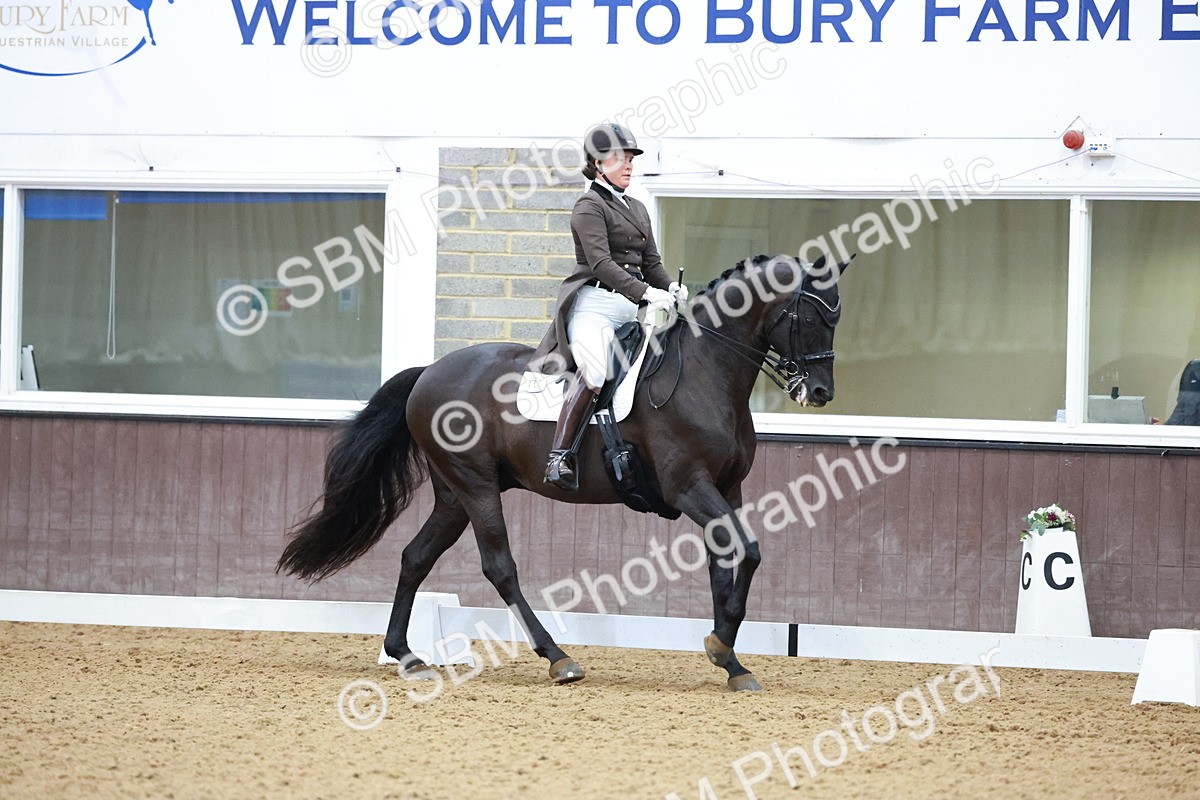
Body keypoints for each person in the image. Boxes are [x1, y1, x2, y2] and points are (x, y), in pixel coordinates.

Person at [532, 123, 688, 491]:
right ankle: (559, 457)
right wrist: (647, 293)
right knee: (596, 371)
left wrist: (671, 286)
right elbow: (602, 264)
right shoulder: (589, 206)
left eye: (631, 158)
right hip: (594, 307)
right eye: (621, 158)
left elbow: (651, 263)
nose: (629, 165)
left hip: (630, 310)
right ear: (598, 164)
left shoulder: (636, 207)